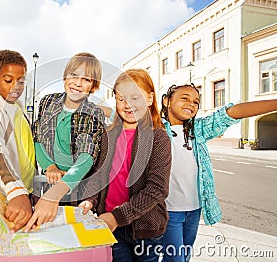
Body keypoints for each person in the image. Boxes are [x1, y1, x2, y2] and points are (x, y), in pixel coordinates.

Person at [160, 83, 277, 262]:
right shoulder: (156, 130)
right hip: (168, 211)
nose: (191, 104)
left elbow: (230, 113)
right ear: (167, 101)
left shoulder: (197, 130)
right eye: (184, 98)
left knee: (184, 255)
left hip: (194, 209)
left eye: (196, 102)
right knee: (175, 259)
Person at [79, 69, 172, 262]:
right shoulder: (108, 135)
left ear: (149, 99)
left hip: (145, 230)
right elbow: (99, 175)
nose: (127, 105)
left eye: (135, 97)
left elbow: (157, 189)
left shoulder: (158, 137)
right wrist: (90, 200)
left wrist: (118, 216)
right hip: (110, 226)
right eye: (121, 98)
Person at [24, 52, 106, 232]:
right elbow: (39, 137)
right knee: (42, 231)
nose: (77, 83)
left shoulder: (94, 113)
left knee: (69, 234)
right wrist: (50, 167)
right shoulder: (48, 102)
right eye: (74, 75)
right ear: (65, 76)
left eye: (86, 79)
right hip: (47, 179)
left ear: (93, 85)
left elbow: (87, 156)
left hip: (77, 185)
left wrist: (58, 191)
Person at [0, 50, 36, 232]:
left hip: (27, 191)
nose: (16, 87)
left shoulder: (19, 109)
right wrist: (15, 190)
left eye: (21, 81)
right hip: (8, 195)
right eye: (9, 80)